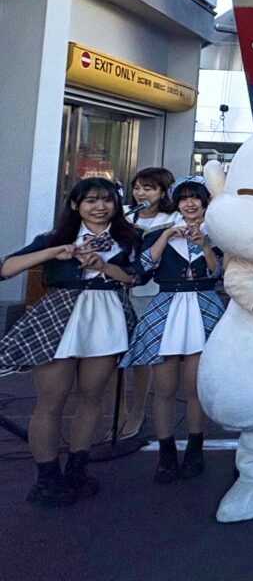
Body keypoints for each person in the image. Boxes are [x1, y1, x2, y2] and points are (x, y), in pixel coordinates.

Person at [0, 178, 141, 506]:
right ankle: (47, 478)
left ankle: (77, 468)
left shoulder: (129, 238)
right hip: (59, 316)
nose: (100, 207)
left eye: (107, 200)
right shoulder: (54, 239)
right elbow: (6, 268)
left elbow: (136, 277)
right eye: (91, 200)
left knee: (92, 398)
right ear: (75, 205)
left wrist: (104, 266)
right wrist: (53, 251)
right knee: (51, 400)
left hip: (107, 317)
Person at [120, 177, 225, 482]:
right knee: (164, 388)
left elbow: (219, 272)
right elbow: (141, 268)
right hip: (166, 305)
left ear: (206, 202)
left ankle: (195, 448)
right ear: (176, 203)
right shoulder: (158, 232)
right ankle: (166, 453)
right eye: (184, 199)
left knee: (194, 388)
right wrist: (166, 236)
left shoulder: (218, 233)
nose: (190, 204)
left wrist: (205, 245)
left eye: (196, 198)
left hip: (203, 303)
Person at [118, 166, 179, 440]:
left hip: (153, 292)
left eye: (149, 188)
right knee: (110, 355)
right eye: (138, 187)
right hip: (116, 290)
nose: (140, 193)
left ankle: (138, 411)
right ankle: (117, 413)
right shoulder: (122, 214)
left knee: (143, 354)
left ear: (163, 192)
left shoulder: (173, 218)